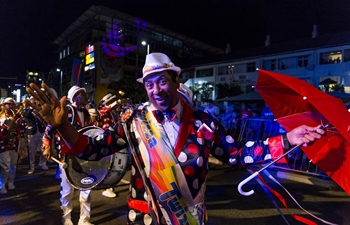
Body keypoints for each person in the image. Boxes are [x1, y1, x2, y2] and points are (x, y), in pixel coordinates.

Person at [26, 52, 325, 225]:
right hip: (145, 219)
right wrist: (64, 126)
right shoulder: (132, 123)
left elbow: (237, 152)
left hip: (190, 218)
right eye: (150, 84)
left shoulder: (203, 124)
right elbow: (91, 150)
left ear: (176, 82)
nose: (156, 90)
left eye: (163, 82)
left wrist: (287, 139)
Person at [54, 85, 94, 225]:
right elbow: (51, 127)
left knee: (86, 190)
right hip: (68, 156)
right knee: (67, 191)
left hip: (85, 156)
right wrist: (47, 145)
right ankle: (66, 218)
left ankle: (84, 220)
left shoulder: (87, 113)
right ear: (75, 96)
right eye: (82, 94)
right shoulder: (68, 111)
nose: (85, 96)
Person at [0, 97, 25, 194]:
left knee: (13, 164)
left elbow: (22, 127)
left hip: (14, 143)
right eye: (7, 104)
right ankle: (2, 184)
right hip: (3, 143)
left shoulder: (17, 116)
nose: (9, 106)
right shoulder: (1, 116)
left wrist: (17, 122)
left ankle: (11, 181)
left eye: (11, 104)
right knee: (5, 165)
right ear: (3, 105)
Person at [23, 96, 47, 174]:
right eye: (33, 100)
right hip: (32, 132)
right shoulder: (27, 109)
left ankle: (42, 162)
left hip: (41, 130)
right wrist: (31, 107)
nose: (35, 101)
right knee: (32, 151)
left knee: (44, 148)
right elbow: (26, 115)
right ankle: (32, 167)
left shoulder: (40, 108)